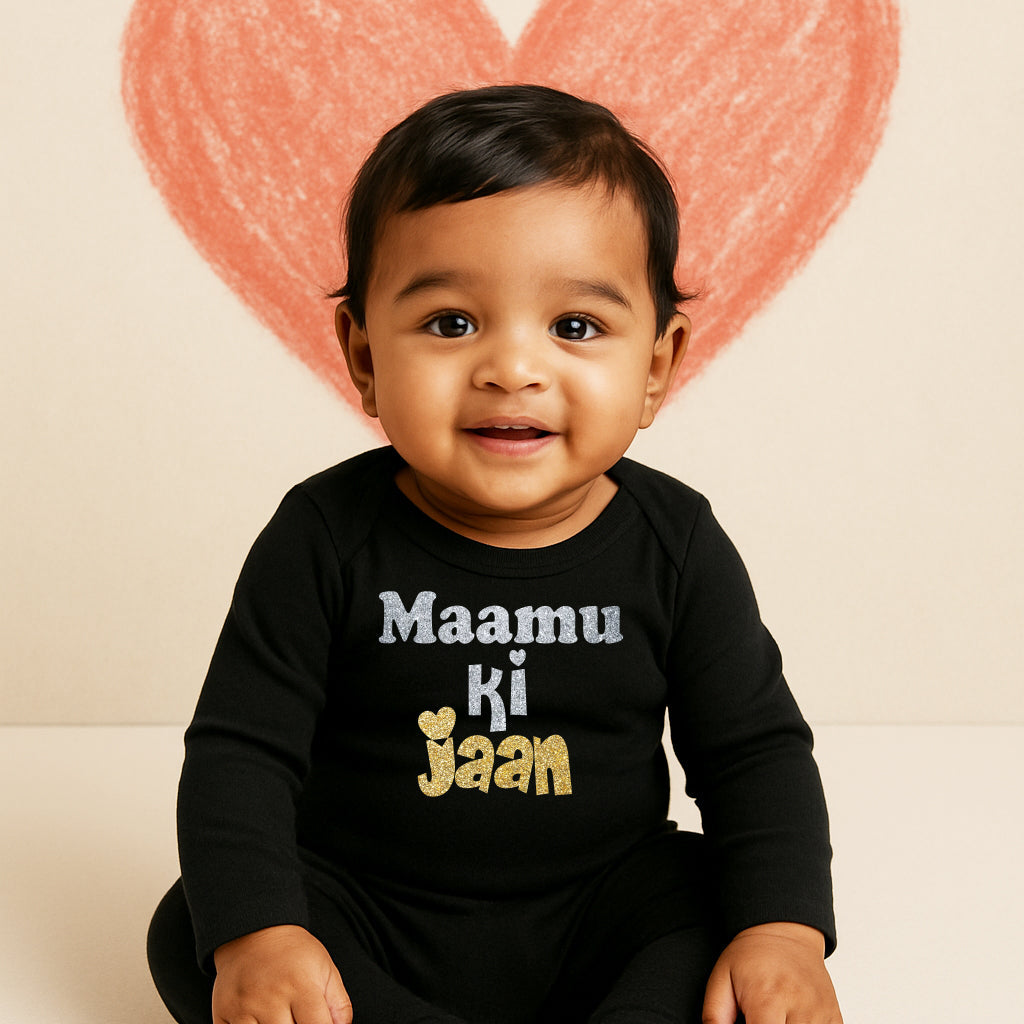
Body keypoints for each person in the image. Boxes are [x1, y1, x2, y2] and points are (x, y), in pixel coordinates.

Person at [147, 84, 842, 1024]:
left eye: (575, 327)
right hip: (372, 908)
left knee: (715, 902)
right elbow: (240, 754)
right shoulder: (322, 536)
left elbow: (754, 754)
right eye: (450, 323)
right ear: (361, 355)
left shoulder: (675, 544)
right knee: (202, 920)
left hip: (601, 905)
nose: (512, 368)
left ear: (655, 366)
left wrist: (786, 934)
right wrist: (262, 937)